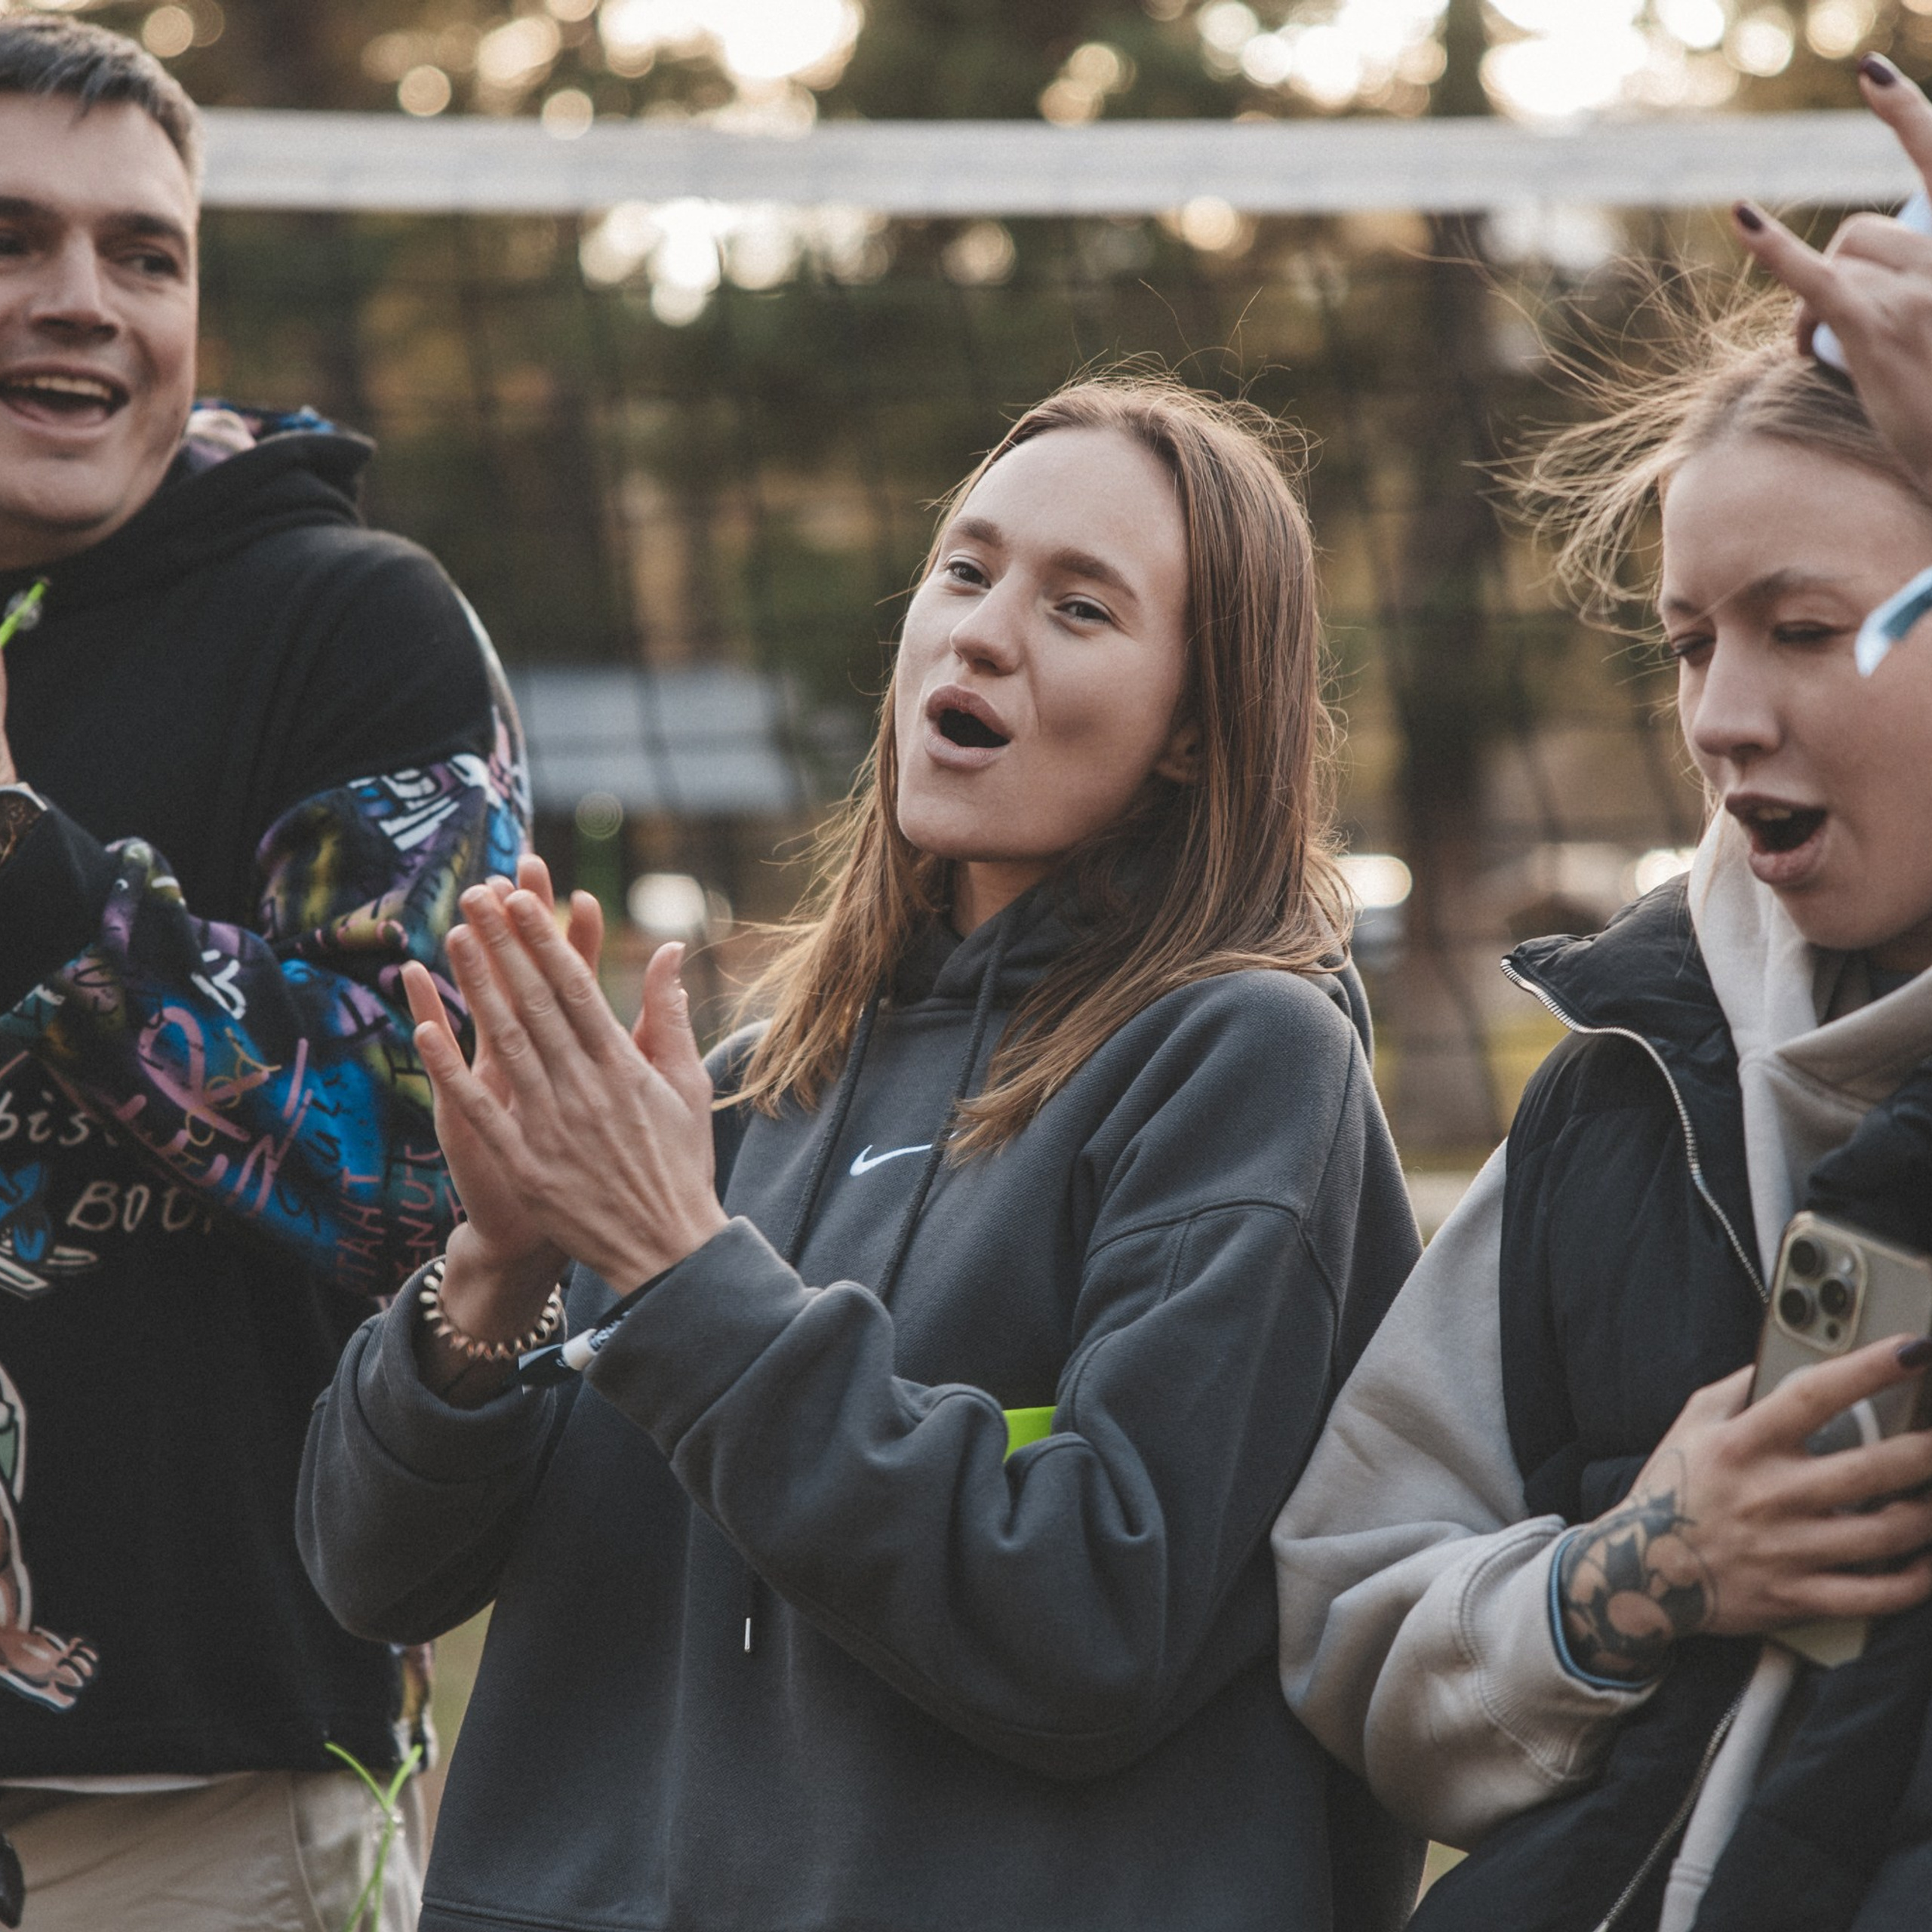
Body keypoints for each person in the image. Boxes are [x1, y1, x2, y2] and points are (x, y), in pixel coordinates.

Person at [300, 374, 1424, 1932]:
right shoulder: (746, 1090)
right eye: (964, 570)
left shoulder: (1242, 1061)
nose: (979, 629)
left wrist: (684, 1276)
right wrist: (494, 1271)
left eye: (1080, 607)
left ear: (1192, 729)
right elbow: (370, 1573)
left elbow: (1096, 1617)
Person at [1273, 52, 1932, 1932]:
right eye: (1686, 641)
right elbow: (1347, 1609)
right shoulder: (1622, 1082)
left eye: (1803, 630)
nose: (1720, 717)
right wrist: (1625, 1576)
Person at [0, 18, 528, 1930]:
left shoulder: (347, 622)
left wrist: (26, 862)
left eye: (144, 254)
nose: (86, 303)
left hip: (200, 1804)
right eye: (15, 239)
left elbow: (422, 1157)